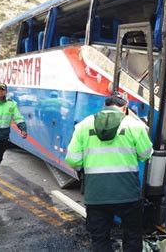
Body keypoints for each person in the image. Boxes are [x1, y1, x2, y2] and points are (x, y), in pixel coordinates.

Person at [65, 92, 153, 252]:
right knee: (132, 236)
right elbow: (145, 154)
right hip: (127, 194)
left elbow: (72, 159)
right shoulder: (134, 125)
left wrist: (86, 166)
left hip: (96, 194)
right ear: (124, 107)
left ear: (104, 106)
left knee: (100, 239)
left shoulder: (84, 125)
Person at [0, 83, 27, 195]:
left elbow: (18, 117)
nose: (0, 92)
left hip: (3, 137)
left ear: (6, 91)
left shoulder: (11, 104)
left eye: (2, 90)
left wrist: (23, 129)